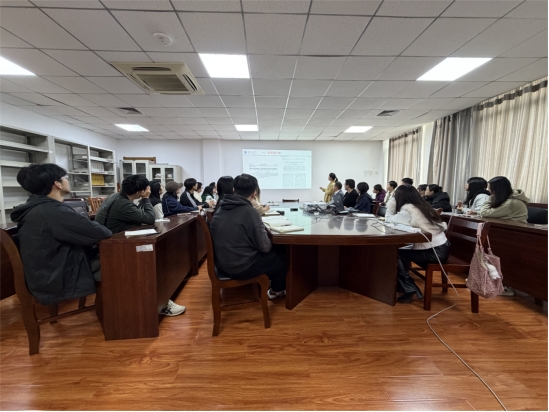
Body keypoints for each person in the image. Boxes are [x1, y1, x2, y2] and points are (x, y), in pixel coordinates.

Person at [10, 164, 112, 305]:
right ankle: (115, 311)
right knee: (122, 263)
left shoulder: (39, 208)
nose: (67, 180)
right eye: (66, 177)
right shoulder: (53, 212)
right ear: (57, 184)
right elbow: (102, 233)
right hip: (58, 277)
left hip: (47, 272)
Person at [96, 175, 186, 316]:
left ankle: (162, 300)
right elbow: (150, 218)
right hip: (114, 251)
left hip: (111, 245)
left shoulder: (115, 197)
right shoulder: (123, 204)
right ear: (139, 192)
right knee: (154, 259)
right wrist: (146, 199)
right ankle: (161, 303)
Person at [210, 174, 287, 299]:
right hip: (240, 267)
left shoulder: (221, 208)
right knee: (281, 258)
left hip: (222, 264)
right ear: (254, 193)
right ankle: (277, 291)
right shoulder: (250, 212)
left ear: (234, 189)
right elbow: (265, 247)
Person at [385, 185, 450, 303]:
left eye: (395, 196)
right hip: (440, 248)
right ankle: (402, 285)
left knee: (394, 254)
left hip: (434, 253)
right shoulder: (421, 206)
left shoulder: (409, 210)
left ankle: (409, 288)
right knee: (398, 252)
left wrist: (391, 203)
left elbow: (388, 219)